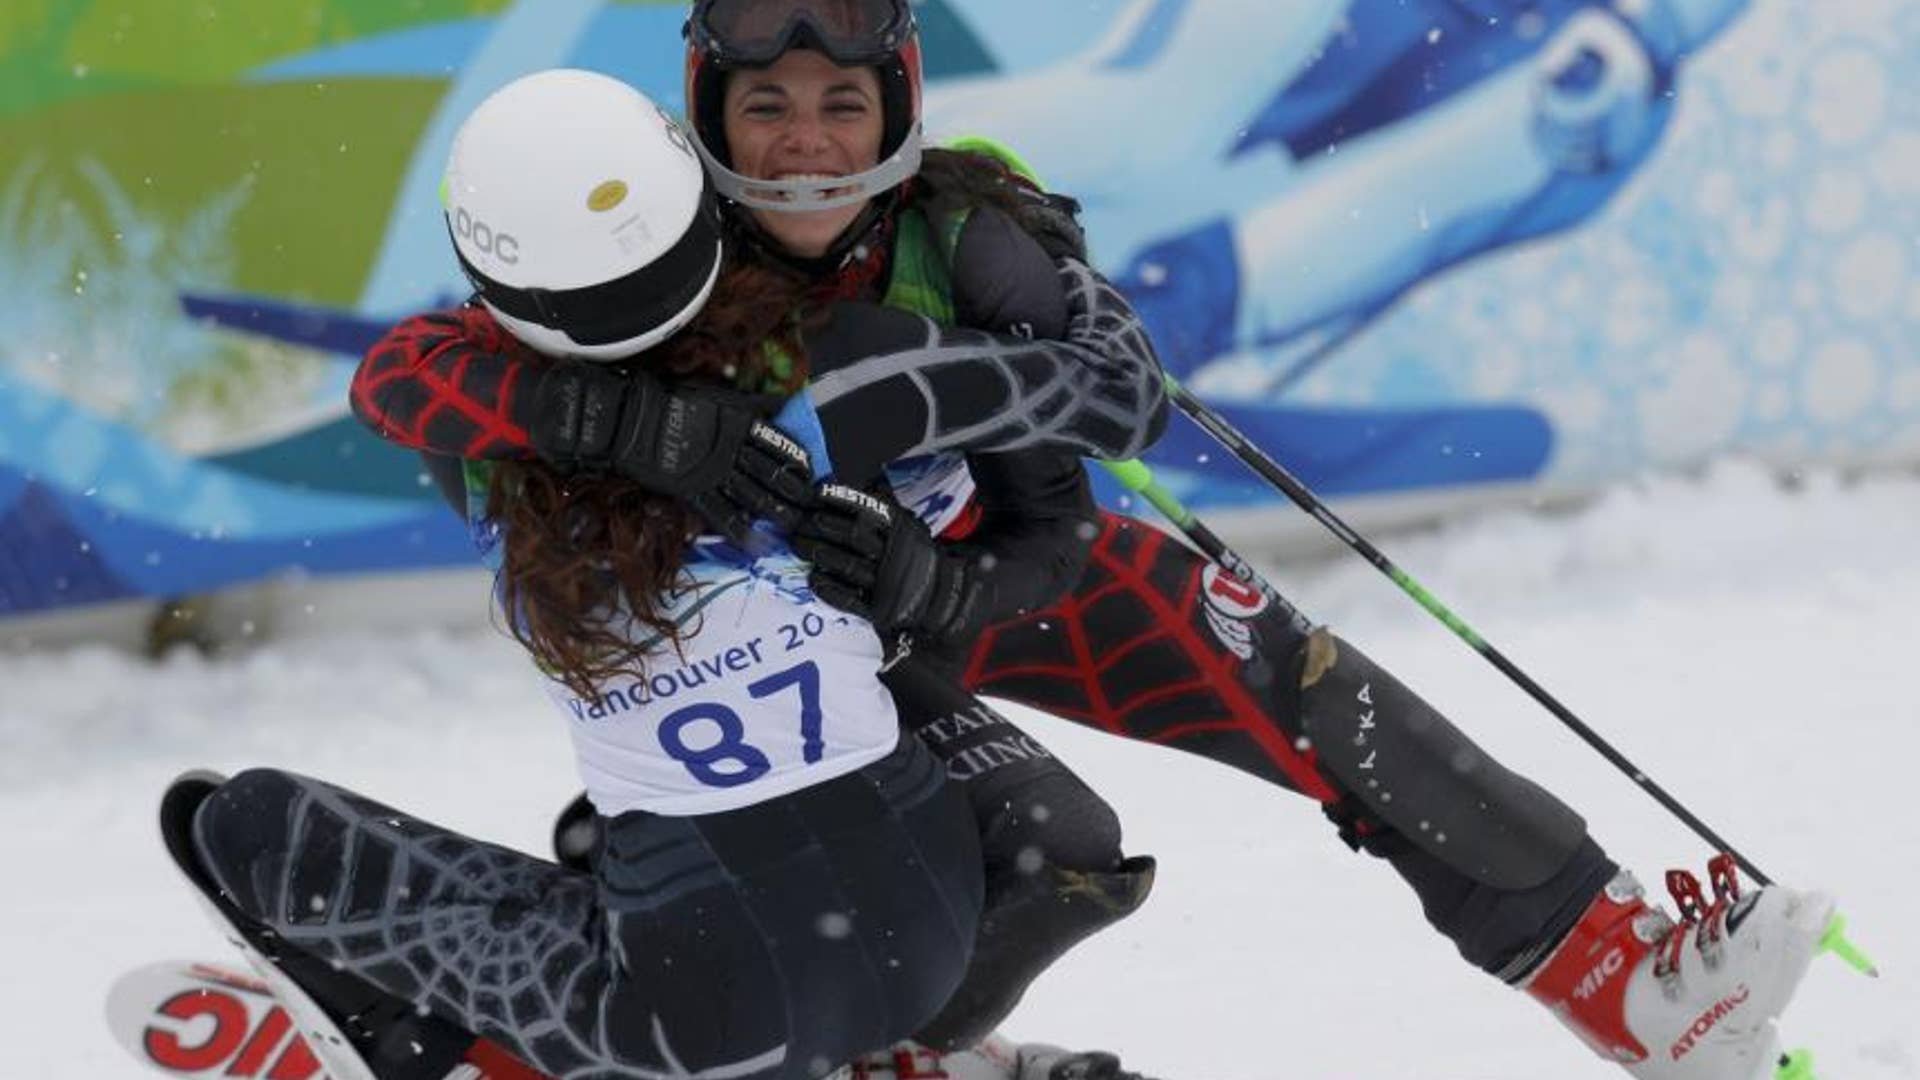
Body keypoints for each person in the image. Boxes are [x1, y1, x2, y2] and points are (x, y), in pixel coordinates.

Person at [359, 3, 1840, 1078]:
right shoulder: (662, 243)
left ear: (898, 105)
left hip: (996, 572)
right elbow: (401, 376)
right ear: (707, 112)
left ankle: (1625, 980)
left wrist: (943, 462)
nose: (806, 145)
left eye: (840, 107)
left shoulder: (960, 217)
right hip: (799, 645)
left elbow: (1114, 395)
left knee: (1306, 683)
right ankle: (849, 1045)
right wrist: (630, 426)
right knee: (1044, 862)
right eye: (767, 109)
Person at [173, 69, 1146, 1080]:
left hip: (695, 1017)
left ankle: (448, 1050)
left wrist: (613, 424)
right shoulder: (849, 364)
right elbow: (1114, 398)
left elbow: (390, 376)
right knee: (1005, 839)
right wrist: (1053, 263)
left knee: (243, 822)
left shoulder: (473, 431)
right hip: (926, 929)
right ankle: (885, 1054)